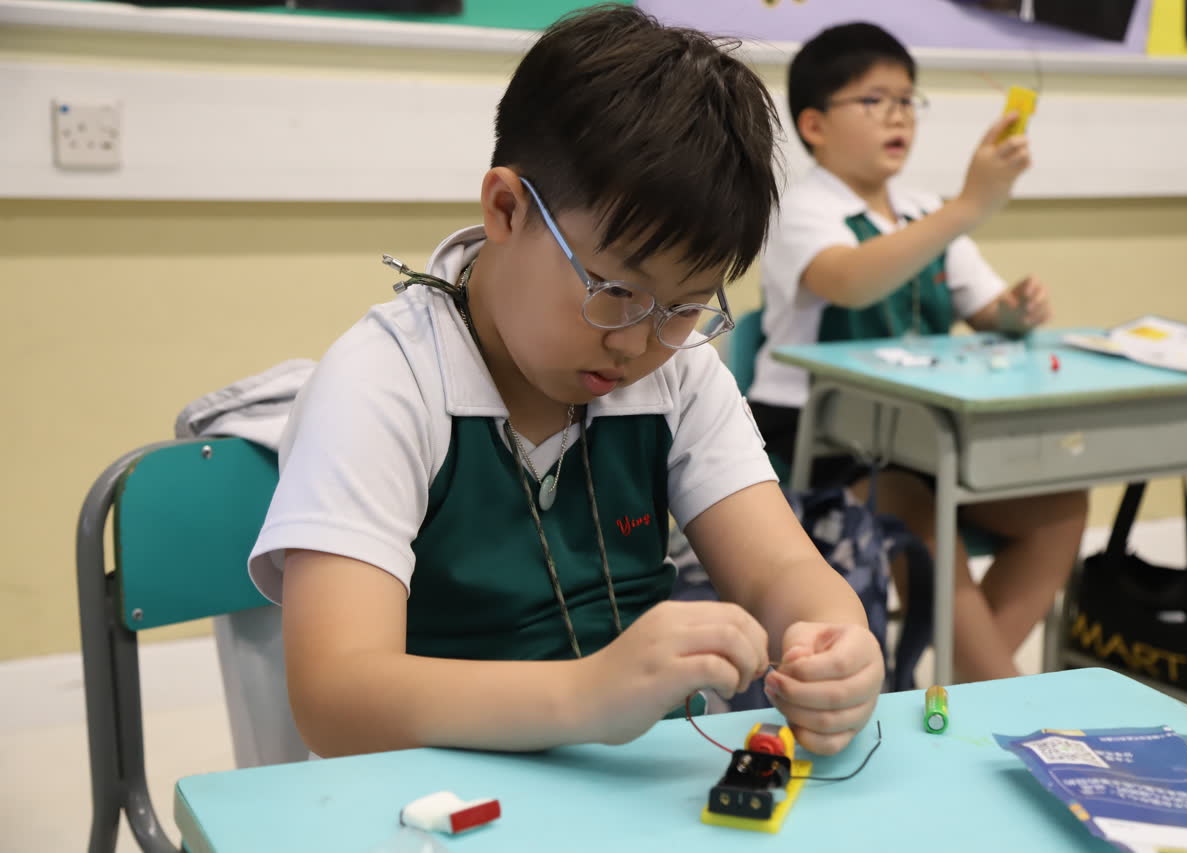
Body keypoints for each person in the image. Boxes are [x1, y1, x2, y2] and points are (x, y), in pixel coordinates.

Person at [249, 5, 883, 759]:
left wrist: (836, 642)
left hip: (628, 786)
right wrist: (585, 696)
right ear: (506, 209)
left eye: (684, 307)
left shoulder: (678, 373)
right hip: (429, 794)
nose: (637, 342)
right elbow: (335, 698)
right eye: (613, 291)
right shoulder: (384, 383)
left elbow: (781, 569)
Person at [748, 22, 1087, 683]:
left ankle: (967, 683)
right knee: (907, 501)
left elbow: (986, 308)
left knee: (1059, 506)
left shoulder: (923, 210)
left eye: (907, 100)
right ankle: (997, 688)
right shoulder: (801, 210)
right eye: (874, 100)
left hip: (926, 438)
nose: (898, 114)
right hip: (819, 440)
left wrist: (1016, 311)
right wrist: (967, 206)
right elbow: (849, 280)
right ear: (814, 125)